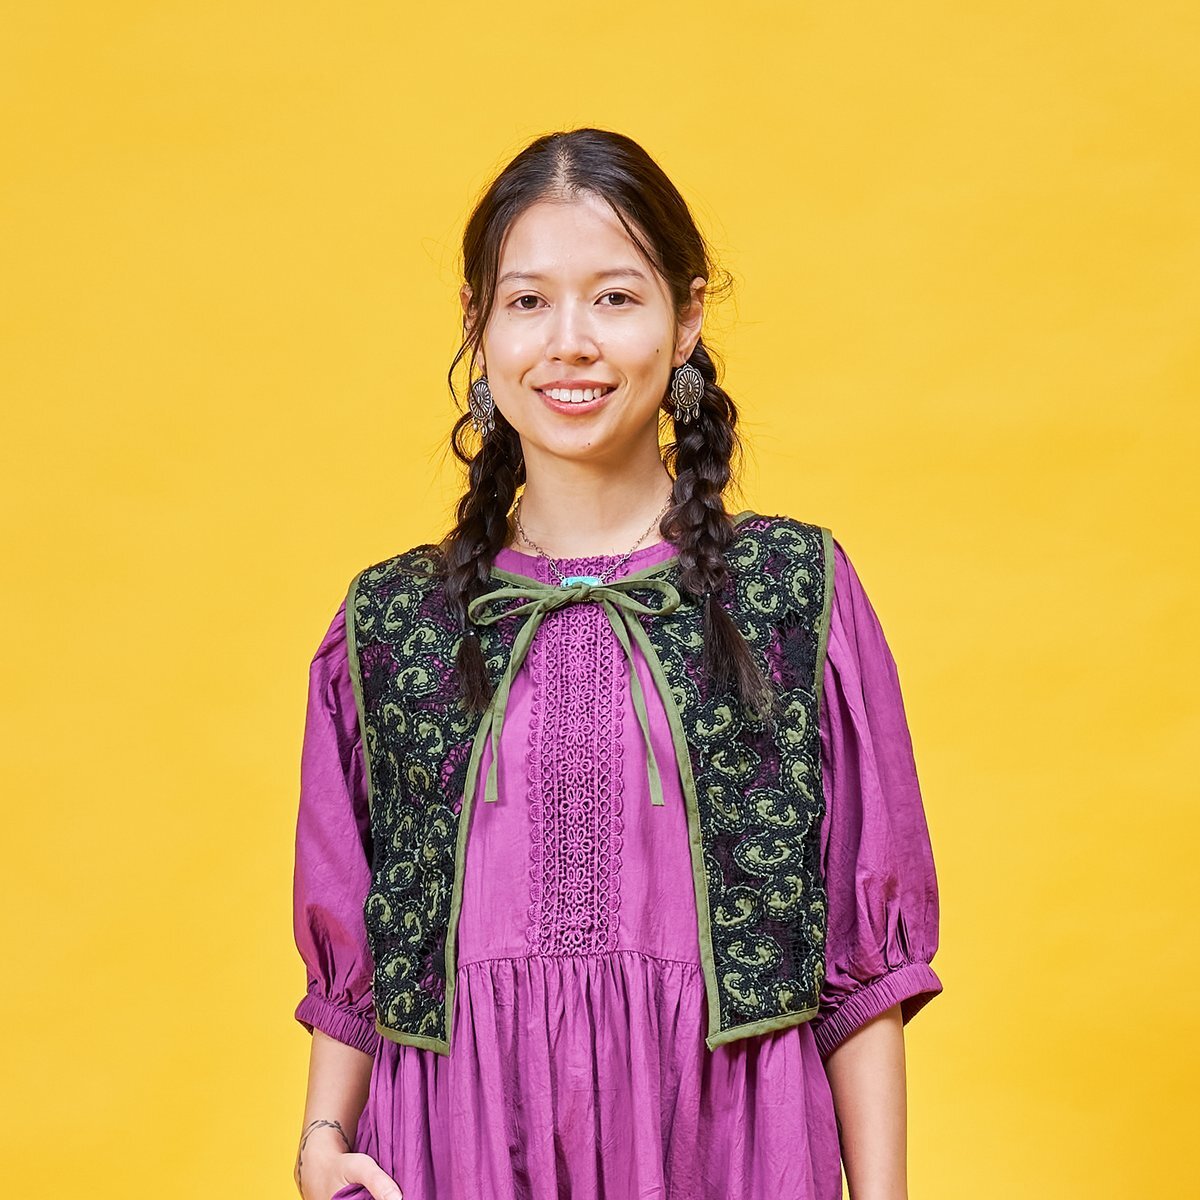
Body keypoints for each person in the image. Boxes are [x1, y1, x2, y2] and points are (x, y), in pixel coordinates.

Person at [290, 127, 943, 1200]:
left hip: (727, 1147)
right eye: (529, 301)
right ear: (479, 326)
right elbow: (359, 948)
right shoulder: (394, 620)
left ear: (686, 319)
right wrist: (321, 1139)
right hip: (457, 1148)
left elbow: (863, 965)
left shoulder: (790, 592)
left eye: (615, 298)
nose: (571, 343)